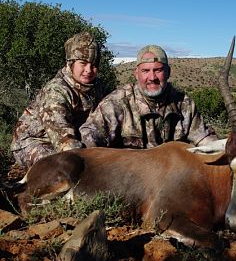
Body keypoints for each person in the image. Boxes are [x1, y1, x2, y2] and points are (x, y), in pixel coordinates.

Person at [80, 45, 217, 149]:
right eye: (145, 71)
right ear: (136, 74)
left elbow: (206, 141)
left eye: (158, 70)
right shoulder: (117, 102)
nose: (152, 78)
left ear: (168, 72)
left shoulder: (185, 105)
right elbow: (90, 135)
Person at [11, 32, 106, 168]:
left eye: (94, 65)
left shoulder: (98, 87)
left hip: (74, 139)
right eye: (83, 63)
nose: (89, 70)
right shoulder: (56, 91)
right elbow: (63, 138)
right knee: (61, 167)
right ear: (70, 63)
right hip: (35, 142)